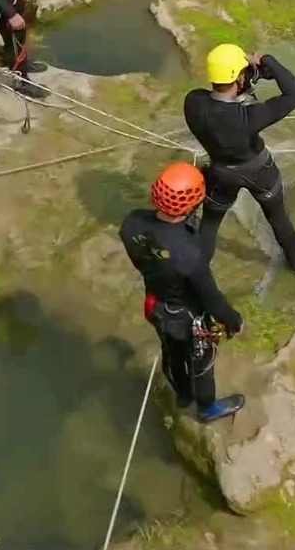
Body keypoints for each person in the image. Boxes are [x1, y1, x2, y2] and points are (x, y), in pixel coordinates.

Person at [119, 162, 246, 424]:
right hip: (187, 316)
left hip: (155, 304)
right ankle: (208, 409)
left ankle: (183, 395)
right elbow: (212, 299)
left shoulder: (131, 223)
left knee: (171, 352)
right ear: (191, 204)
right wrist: (233, 321)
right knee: (202, 364)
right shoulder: (189, 255)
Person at [183, 43, 295, 273]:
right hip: (260, 171)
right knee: (276, 215)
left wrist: (242, 78)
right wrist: (268, 62)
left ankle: (197, 271)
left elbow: (216, 102)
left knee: (210, 222)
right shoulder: (249, 116)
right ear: (240, 77)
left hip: (220, 173)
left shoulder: (193, 102)